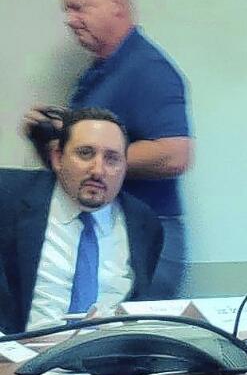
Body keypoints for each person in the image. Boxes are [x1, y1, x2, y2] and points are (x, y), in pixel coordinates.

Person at [23, 0, 192, 297]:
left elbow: (176, 154)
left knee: (133, 341)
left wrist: (94, 154)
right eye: (66, 11)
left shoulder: (148, 69)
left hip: (146, 237)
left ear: (117, 6)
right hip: (101, 232)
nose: (70, 20)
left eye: (78, 8)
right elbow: (71, 168)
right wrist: (50, 141)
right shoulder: (99, 73)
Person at [1, 108, 164, 334]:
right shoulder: (8, 197)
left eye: (112, 159)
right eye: (85, 153)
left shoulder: (144, 224)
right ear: (58, 157)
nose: (98, 170)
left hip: (105, 361)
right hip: (18, 360)